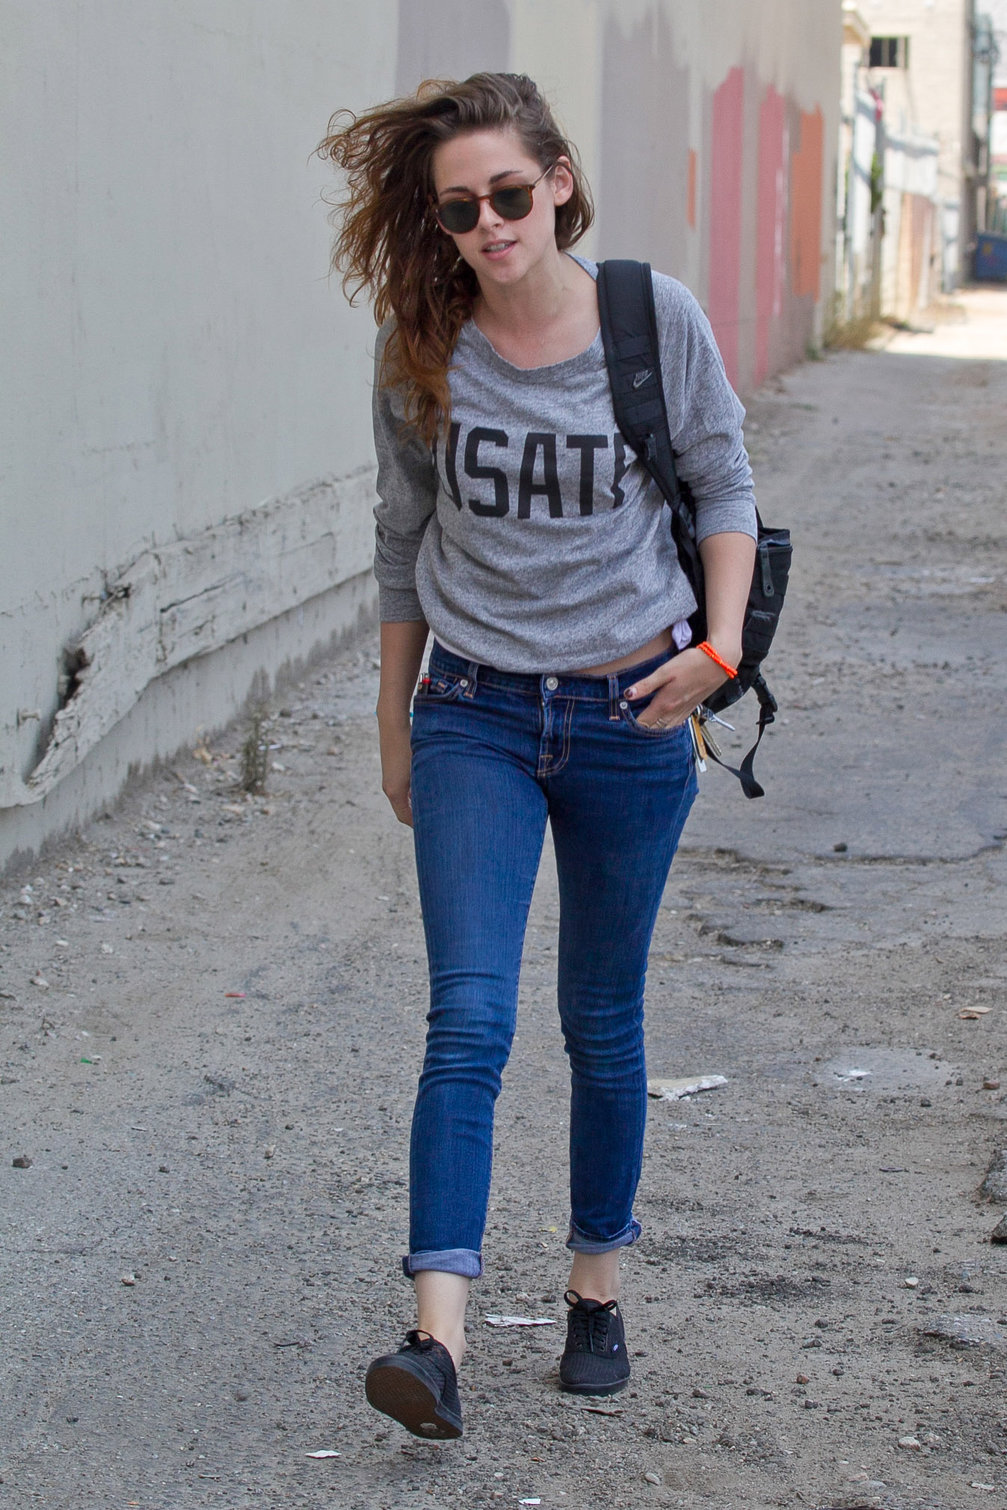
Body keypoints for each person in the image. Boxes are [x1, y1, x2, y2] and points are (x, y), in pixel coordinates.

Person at [318, 71, 756, 1440]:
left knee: (602, 1016)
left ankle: (595, 1289)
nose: (493, 223)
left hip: (633, 714)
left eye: (513, 194)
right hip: (477, 715)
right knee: (470, 1014)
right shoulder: (421, 342)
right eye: (463, 208)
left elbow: (726, 482)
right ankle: (433, 1338)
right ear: (440, 224)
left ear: (560, 180)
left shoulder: (648, 318)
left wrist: (721, 653)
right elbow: (400, 547)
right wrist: (396, 725)